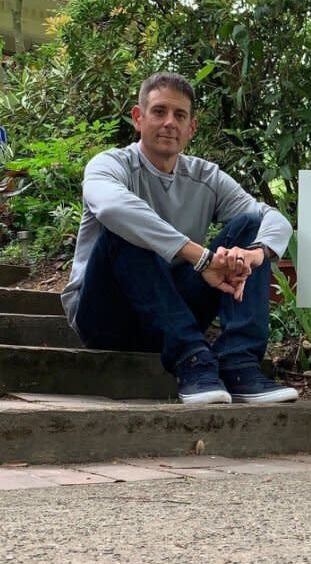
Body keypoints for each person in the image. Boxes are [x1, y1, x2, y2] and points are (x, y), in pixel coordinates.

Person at [61, 71, 298, 405]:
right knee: (124, 229)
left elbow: (271, 218)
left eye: (180, 115)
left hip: (172, 309)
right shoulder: (111, 164)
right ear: (138, 117)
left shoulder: (206, 177)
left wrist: (255, 254)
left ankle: (239, 363)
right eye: (159, 111)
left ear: (191, 128)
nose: (169, 122)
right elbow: (112, 207)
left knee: (248, 225)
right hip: (106, 317)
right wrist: (199, 257)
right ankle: (194, 360)